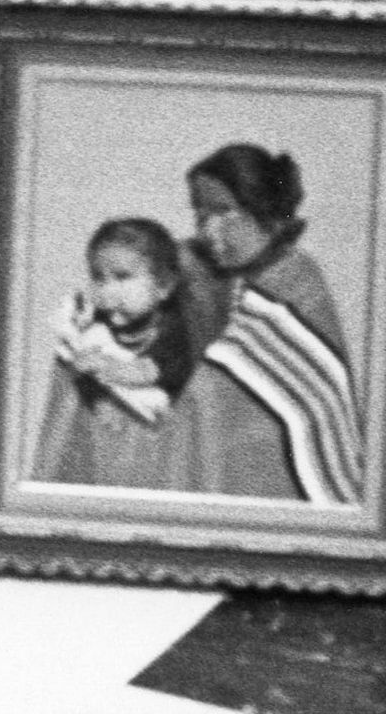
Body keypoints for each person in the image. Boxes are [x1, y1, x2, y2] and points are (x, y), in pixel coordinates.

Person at [165, 145, 368, 506]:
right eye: (200, 213)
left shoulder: (298, 276)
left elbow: (234, 381)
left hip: (278, 461)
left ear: (264, 212)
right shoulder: (201, 267)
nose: (208, 229)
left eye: (224, 211)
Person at [31, 217, 195, 485]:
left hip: (158, 449)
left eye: (122, 277)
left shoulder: (173, 329)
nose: (107, 290)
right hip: (103, 446)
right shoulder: (95, 326)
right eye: (98, 277)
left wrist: (112, 368)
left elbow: (162, 369)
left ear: (163, 286)